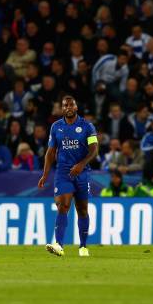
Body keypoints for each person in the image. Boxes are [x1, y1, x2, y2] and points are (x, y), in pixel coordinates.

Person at [38, 96, 98, 257]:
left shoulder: (87, 126)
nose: (68, 107)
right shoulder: (56, 127)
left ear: (76, 107)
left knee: (82, 209)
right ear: (62, 108)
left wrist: (81, 164)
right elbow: (50, 152)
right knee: (63, 205)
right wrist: (45, 174)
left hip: (82, 172)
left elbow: (94, 149)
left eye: (71, 104)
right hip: (63, 172)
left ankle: (83, 246)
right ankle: (59, 245)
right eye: (65, 105)